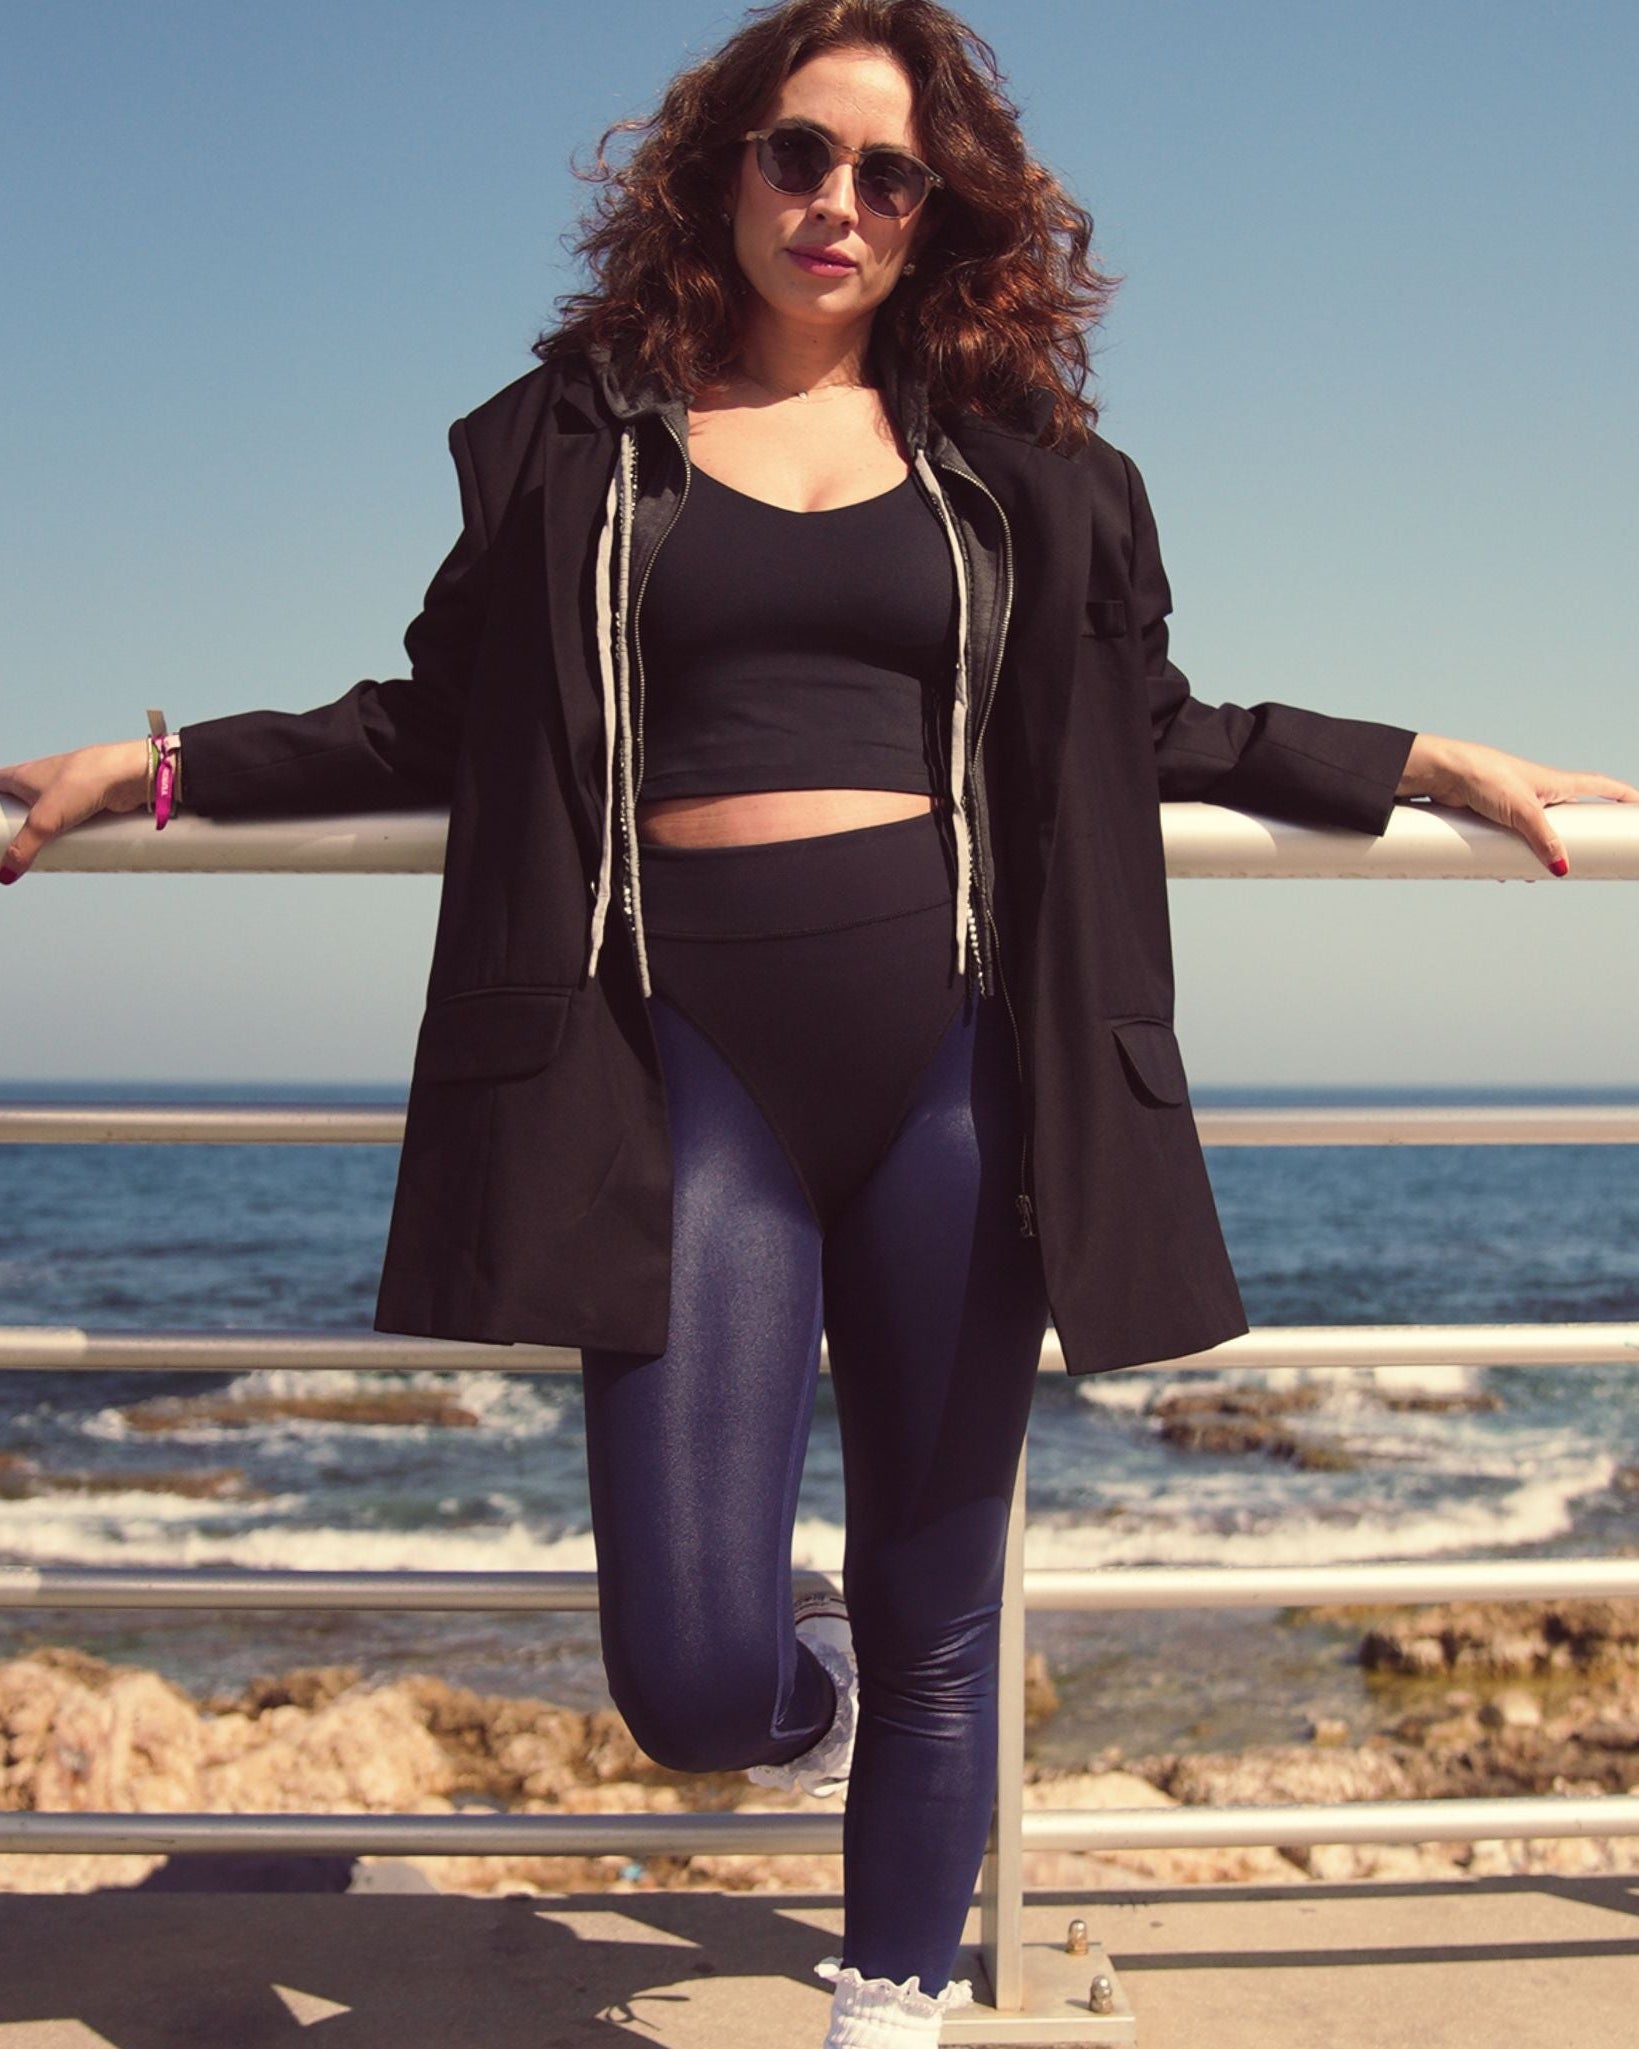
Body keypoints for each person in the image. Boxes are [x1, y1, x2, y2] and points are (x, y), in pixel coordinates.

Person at [3, 1, 1634, 2039]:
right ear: (719, 167)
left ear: (940, 214)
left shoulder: (1033, 474)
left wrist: (1419, 760)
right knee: (690, 1675)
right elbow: (430, 715)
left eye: (890, 174)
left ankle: (890, 1999)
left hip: (957, 1051)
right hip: (681, 1061)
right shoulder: (576, 439)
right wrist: (148, 771)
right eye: (800, 153)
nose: (838, 202)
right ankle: (810, 1687)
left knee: (943, 1607)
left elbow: (1151, 728)